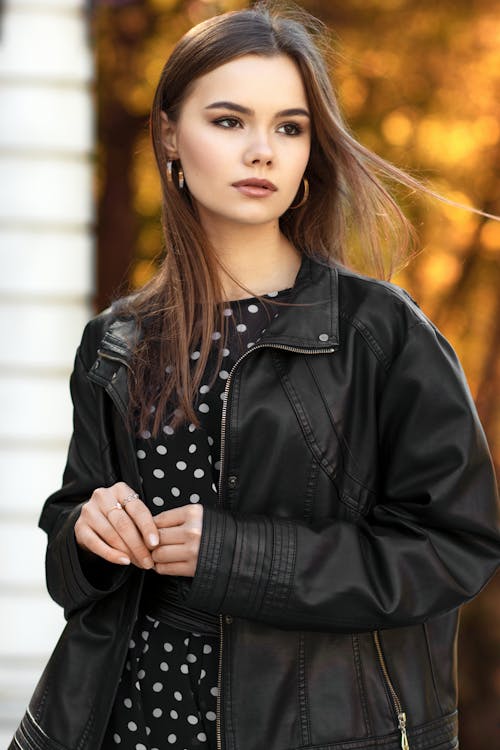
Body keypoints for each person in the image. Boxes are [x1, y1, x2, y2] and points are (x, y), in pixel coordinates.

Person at [10, 3, 500, 750]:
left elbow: (454, 548)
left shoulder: (380, 334)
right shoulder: (118, 342)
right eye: (230, 121)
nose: (263, 151)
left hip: (319, 729)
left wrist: (235, 557)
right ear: (172, 135)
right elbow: (71, 569)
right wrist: (85, 532)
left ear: (311, 150)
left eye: (290, 127)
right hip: (119, 726)